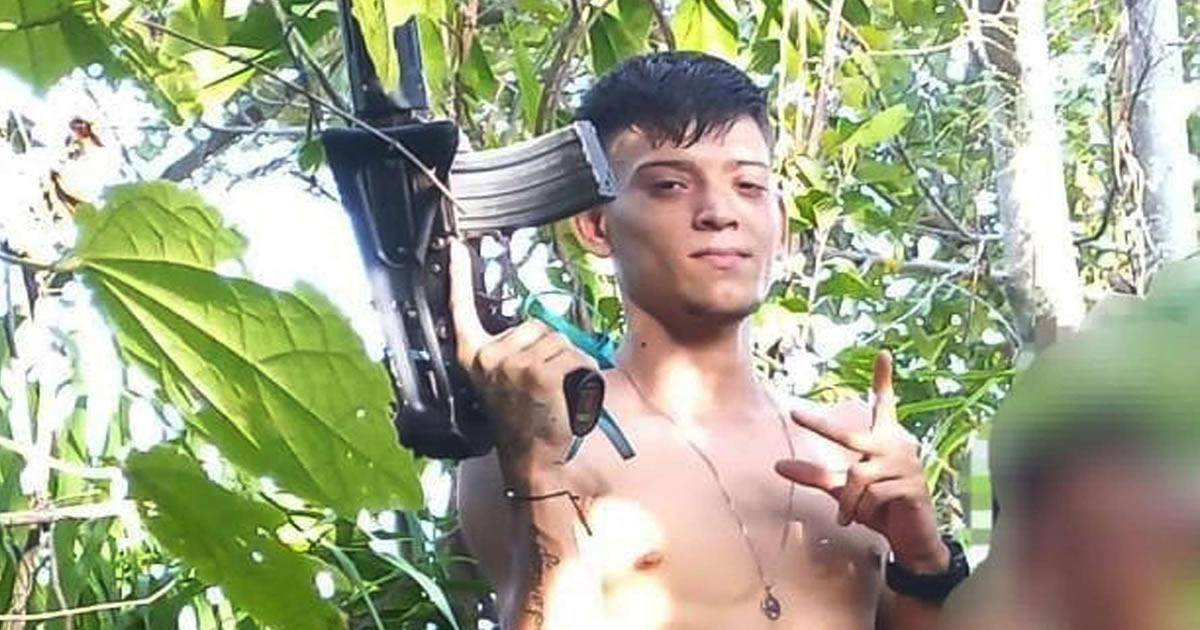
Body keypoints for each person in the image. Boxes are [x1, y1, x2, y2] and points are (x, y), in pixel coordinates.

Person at [450, 52, 966, 630]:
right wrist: (539, 477)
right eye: (670, 185)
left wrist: (924, 559)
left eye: (749, 185)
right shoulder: (549, 439)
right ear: (596, 225)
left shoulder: (848, 447)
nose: (720, 212)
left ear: (781, 225)